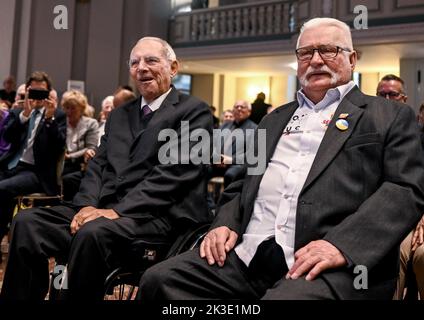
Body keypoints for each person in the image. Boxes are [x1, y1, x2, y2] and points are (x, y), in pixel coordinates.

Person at [139, 17, 424, 300]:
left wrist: (341, 246)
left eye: (327, 50)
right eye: (305, 53)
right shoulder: (273, 119)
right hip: (246, 257)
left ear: (352, 59)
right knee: (159, 281)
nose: (315, 60)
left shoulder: (389, 115)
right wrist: (224, 223)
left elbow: (404, 190)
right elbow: (240, 183)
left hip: (326, 262)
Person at [0, 36, 213, 300]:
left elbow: (175, 174)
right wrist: (87, 206)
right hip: (104, 210)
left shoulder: (194, 112)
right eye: (135, 62)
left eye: (151, 60)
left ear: (173, 67)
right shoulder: (120, 115)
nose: (142, 67)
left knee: (92, 233)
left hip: (158, 217)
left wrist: (115, 211)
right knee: (27, 222)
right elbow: (98, 166)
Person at [0, 71, 66, 244]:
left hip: (37, 172)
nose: (37, 96)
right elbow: (7, 137)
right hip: (12, 166)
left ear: (49, 93)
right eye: (33, 91)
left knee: (2, 188)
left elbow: (59, 145)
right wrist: (25, 115)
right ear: (27, 91)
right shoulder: (19, 112)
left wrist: (50, 118)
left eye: (41, 92)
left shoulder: (57, 115)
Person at [61, 90, 99, 201]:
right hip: (61, 164)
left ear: (81, 109)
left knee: (68, 179)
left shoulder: (91, 123)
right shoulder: (61, 123)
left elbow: (91, 147)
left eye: (73, 108)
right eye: (67, 107)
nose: (69, 111)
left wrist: (70, 156)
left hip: (80, 164)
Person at [211, 100, 257, 188]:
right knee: (200, 169)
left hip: (237, 164)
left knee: (230, 175)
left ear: (249, 112)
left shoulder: (254, 128)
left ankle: (227, 202)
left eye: (242, 107)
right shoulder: (225, 125)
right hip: (217, 162)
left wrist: (231, 160)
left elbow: (253, 154)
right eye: (236, 107)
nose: (239, 109)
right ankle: (207, 201)